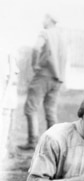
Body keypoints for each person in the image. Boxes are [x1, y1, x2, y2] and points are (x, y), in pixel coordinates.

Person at [18, 13, 67, 150]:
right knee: (51, 110)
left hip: (44, 75)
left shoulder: (45, 33)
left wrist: (35, 64)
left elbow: (36, 48)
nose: (42, 21)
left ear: (50, 19)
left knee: (31, 108)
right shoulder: (62, 35)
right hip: (57, 79)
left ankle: (32, 141)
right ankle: (54, 143)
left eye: (44, 18)